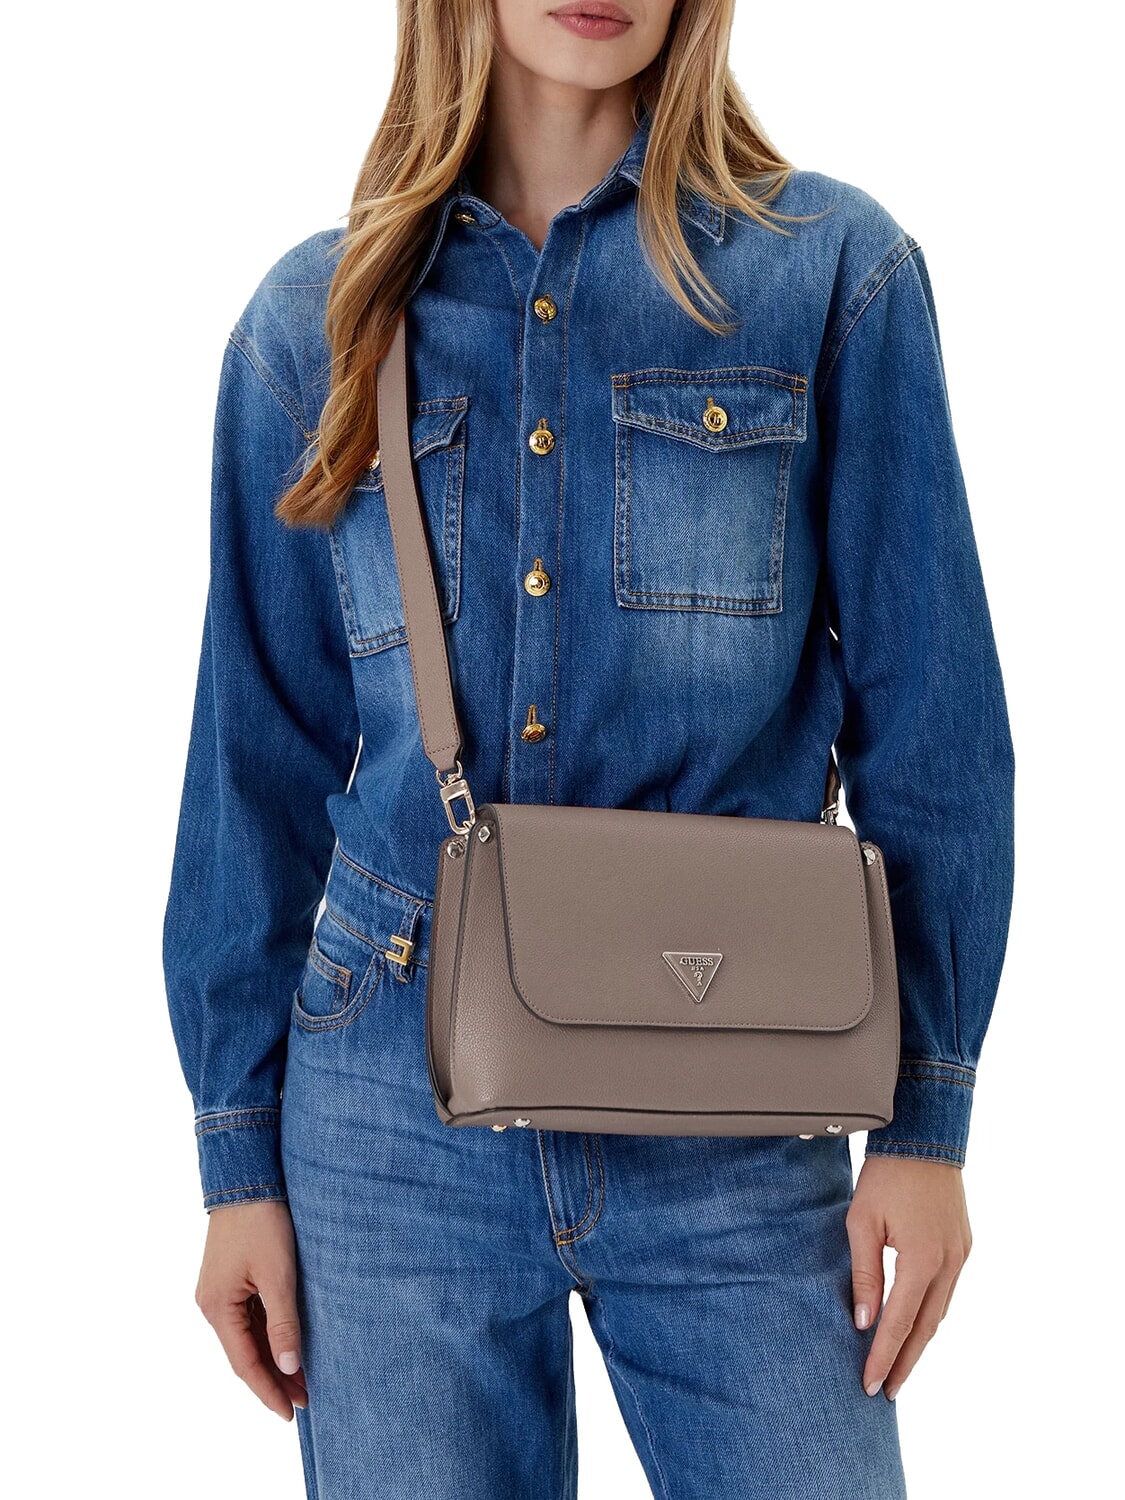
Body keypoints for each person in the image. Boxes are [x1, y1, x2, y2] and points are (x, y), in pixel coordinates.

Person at [162, 2, 1015, 1495]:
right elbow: (252, 766)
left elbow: (935, 729)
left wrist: (926, 1126)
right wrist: (236, 1161)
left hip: (738, 1093)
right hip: (390, 1109)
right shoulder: (314, 321)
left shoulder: (828, 274)